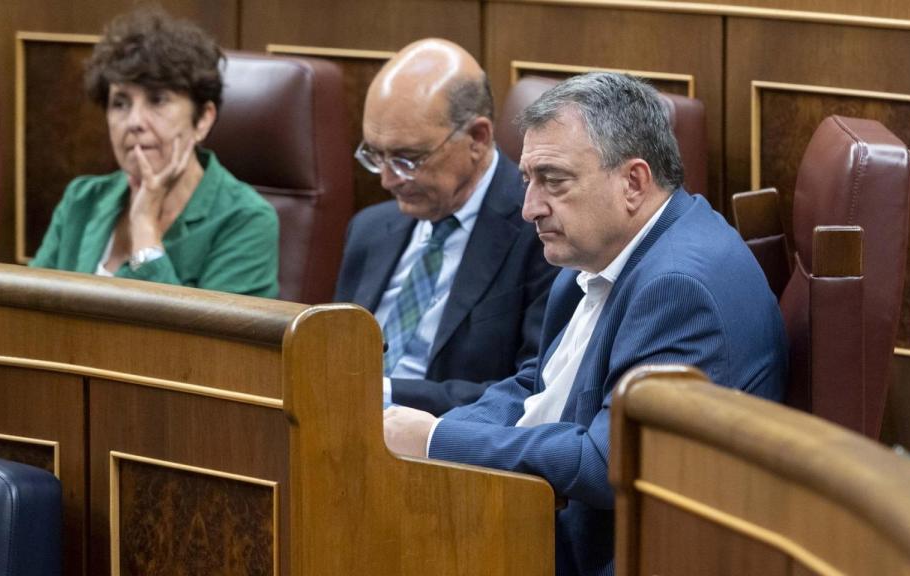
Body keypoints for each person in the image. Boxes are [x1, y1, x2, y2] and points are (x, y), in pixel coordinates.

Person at [384, 72, 788, 576]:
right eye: (527, 180)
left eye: (554, 181)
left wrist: (435, 441)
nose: (531, 208)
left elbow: (605, 462)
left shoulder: (681, 288)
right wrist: (438, 434)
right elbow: (535, 386)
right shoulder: (600, 253)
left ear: (634, 183)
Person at [335, 39, 558, 415]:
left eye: (408, 159)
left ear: (477, 138)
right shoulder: (369, 230)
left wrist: (382, 393)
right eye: (376, 155)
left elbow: (532, 391)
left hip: (448, 450)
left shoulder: (542, 232)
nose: (388, 180)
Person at [30, 8, 279, 297]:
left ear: (203, 119)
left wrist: (145, 229)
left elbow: (200, 342)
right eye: (120, 103)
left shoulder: (245, 220)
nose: (134, 122)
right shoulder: (82, 200)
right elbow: (29, 318)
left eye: (157, 100)